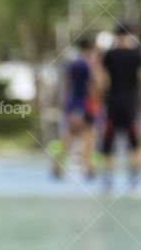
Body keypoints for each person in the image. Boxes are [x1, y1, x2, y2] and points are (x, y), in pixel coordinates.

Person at [99, 22, 141, 193]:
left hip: (112, 103)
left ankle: (107, 182)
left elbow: (103, 81)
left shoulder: (109, 55)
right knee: (133, 142)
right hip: (130, 104)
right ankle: (134, 182)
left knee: (108, 142)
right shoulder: (137, 54)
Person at [52, 35, 98, 180]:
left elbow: (66, 84)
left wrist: (65, 102)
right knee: (86, 135)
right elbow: (90, 86)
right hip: (84, 104)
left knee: (71, 135)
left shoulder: (72, 63)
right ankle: (87, 166)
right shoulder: (87, 64)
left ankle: (59, 163)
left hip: (72, 104)